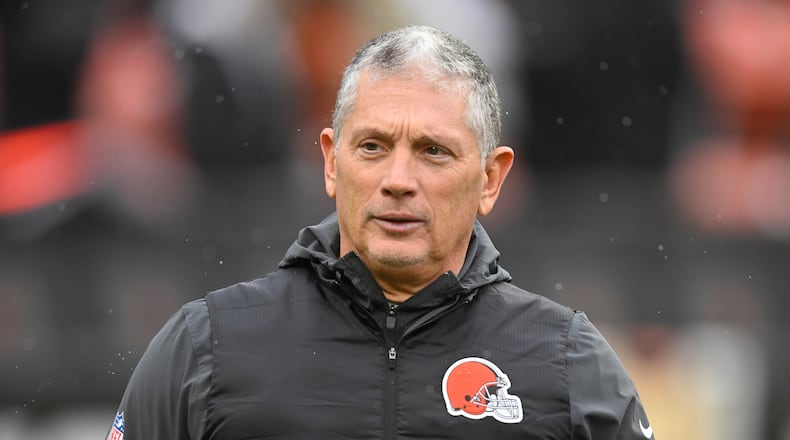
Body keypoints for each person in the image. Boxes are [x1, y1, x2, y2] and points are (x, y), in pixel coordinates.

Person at [107, 25, 655, 439]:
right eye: (372, 147)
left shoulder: (565, 363)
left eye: (433, 151)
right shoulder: (208, 347)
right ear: (330, 162)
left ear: (491, 179)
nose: (398, 181)